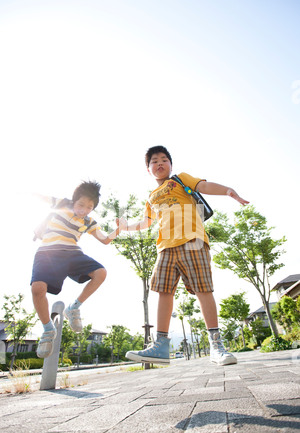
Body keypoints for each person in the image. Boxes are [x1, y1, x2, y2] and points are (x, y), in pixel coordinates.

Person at [124, 146, 249, 366]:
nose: (160, 163)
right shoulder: (151, 197)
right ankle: (161, 346)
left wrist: (227, 190)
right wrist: (125, 227)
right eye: (154, 161)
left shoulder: (180, 179)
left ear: (171, 164)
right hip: (165, 247)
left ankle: (216, 345)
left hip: (193, 241)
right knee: (164, 292)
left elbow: (204, 185)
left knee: (203, 289)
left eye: (164, 159)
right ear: (148, 168)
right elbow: (146, 223)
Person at [31, 180, 126, 358]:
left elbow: (105, 240)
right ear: (74, 200)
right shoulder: (61, 203)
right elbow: (39, 197)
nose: (84, 210)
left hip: (72, 253)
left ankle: (73, 308)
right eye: (81, 204)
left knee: (101, 272)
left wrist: (118, 229)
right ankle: (47, 330)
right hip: (48, 253)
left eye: (89, 207)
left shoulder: (89, 222)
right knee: (37, 288)